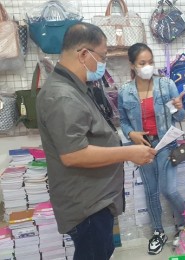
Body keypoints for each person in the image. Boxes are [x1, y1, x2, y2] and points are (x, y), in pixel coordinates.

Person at [36, 22, 157, 260]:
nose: (103, 64)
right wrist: (128, 153)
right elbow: (73, 154)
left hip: (94, 199)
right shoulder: (62, 95)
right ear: (83, 54)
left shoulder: (75, 87)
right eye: (102, 57)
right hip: (86, 205)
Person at [118, 43, 185, 255]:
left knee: (169, 189)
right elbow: (123, 120)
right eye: (142, 63)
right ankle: (158, 232)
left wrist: (178, 107)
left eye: (150, 62)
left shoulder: (166, 85)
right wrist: (131, 134)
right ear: (132, 65)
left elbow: (180, 118)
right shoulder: (125, 92)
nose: (147, 67)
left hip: (166, 144)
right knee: (151, 191)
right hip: (142, 147)